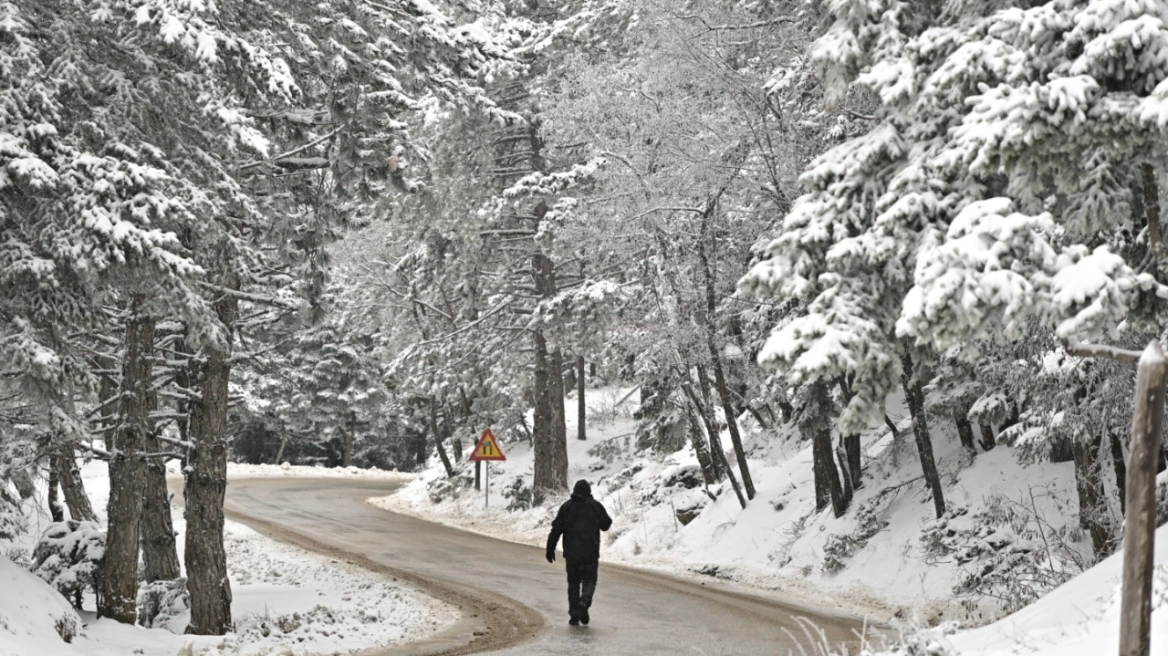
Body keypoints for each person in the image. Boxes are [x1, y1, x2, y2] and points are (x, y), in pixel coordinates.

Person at [546, 479, 612, 626]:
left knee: (573, 583)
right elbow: (606, 525)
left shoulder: (567, 507)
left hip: (572, 553)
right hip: (590, 552)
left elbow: (556, 529)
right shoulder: (595, 506)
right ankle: (584, 602)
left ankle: (574, 615)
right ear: (589, 492)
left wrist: (550, 548)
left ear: (574, 492)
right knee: (590, 580)